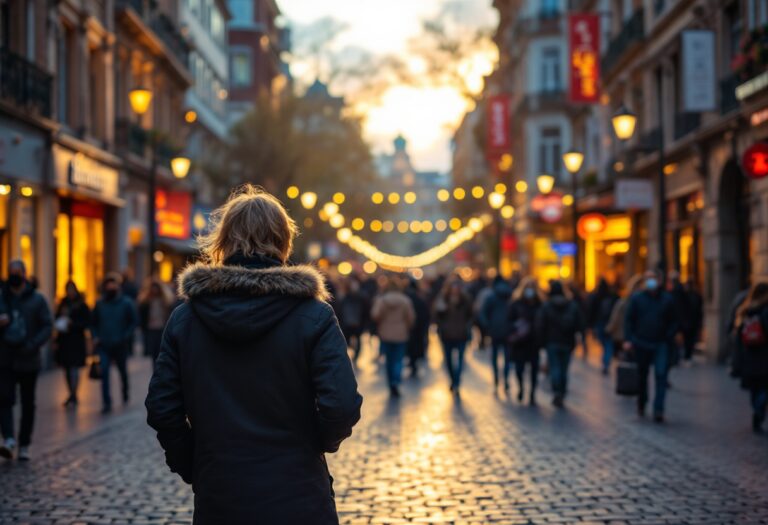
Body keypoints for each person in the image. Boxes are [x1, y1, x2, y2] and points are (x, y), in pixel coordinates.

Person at [146, 186, 362, 524]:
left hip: (221, 492)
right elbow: (343, 404)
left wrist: (191, 461)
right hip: (299, 493)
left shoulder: (186, 318)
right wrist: (314, 445)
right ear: (282, 241)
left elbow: (162, 407)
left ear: (222, 241)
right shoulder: (314, 315)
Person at [0, 260, 53, 461]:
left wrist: (33, 344)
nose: (14, 276)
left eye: (17, 272)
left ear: (24, 274)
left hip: (28, 358)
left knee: (28, 402)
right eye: (10, 272)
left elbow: (47, 326)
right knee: (4, 399)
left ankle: (24, 443)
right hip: (5, 357)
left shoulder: (37, 299)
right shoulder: (2, 297)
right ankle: (9, 439)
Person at [624, 269, 677, 422]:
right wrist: (629, 339)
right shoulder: (637, 298)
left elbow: (674, 320)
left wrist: (668, 335)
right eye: (648, 279)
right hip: (641, 342)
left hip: (661, 343)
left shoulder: (667, 299)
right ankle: (642, 403)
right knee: (642, 375)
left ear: (659, 281)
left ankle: (658, 409)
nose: (651, 282)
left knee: (661, 375)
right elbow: (629, 320)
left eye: (653, 278)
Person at [92, 273, 138, 413]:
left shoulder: (126, 302)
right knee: (104, 371)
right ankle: (106, 402)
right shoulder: (99, 303)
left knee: (122, 371)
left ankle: (125, 392)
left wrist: (125, 336)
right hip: (104, 344)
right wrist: (95, 336)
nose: (111, 286)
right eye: (108, 284)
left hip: (120, 344)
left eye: (114, 284)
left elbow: (133, 322)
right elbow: (93, 322)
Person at [535, 280, 585, 408]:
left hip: (552, 342)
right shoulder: (571, 305)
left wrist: (541, 342)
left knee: (555, 368)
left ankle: (557, 391)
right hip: (567, 342)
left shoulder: (547, 305)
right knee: (564, 368)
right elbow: (579, 324)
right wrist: (581, 338)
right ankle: (562, 392)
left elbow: (541, 325)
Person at [731, 281, 768, 433]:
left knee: (755, 387)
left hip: (749, 354)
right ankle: (759, 409)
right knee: (764, 386)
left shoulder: (745, 309)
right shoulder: (766, 310)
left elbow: (737, 332)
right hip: (764, 354)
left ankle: (756, 409)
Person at [371, 277, 415, 397]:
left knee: (389, 360)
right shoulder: (405, 300)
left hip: (385, 333)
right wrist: (406, 327)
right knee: (398, 359)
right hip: (401, 333)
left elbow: (375, 315)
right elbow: (411, 318)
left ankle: (391, 382)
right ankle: (396, 379)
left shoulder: (382, 300)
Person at [54, 281, 91, 407]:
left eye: (71, 289)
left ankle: (74, 394)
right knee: (67, 368)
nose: (70, 292)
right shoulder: (63, 303)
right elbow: (56, 318)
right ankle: (71, 393)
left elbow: (87, 321)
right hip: (65, 341)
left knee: (74, 368)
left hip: (76, 340)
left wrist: (73, 324)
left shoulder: (81, 304)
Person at [435, 280, 474, 394]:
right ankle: (453, 379)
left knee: (460, 360)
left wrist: (467, 327)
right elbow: (436, 315)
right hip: (447, 335)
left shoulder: (465, 299)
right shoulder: (443, 298)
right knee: (448, 361)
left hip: (461, 334)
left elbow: (471, 315)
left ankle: (457, 380)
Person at [509, 277, 543, 404]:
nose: (530, 290)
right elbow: (509, 320)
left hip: (534, 342)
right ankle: (521, 388)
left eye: (532, 287)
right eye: (528, 287)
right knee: (519, 369)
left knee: (534, 369)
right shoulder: (516, 303)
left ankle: (532, 393)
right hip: (520, 342)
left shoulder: (540, 304)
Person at [479, 276, 513, 391]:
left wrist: (487, 326)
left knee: (494, 357)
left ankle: (496, 379)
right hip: (508, 331)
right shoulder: (511, 295)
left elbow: (483, 313)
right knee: (507, 358)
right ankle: (506, 379)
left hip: (494, 331)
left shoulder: (491, 297)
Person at [605, 274, 644, 356]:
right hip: (628, 335)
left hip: (642, 336)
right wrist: (610, 329)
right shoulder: (625, 302)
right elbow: (617, 317)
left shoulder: (648, 301)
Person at [138, 278, 175, 364]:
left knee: (161, 350)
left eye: (156, 288)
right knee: (153, 351)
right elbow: (142, 315)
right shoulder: (146, 301)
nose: (154, 290)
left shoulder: (166, 301)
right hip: (151, 329)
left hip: (162, 328)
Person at [588, 278, 619, 374]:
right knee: (608, 344)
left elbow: (591, 311)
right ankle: (606, 361)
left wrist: (591, 325)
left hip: (601, 323)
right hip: (609, 323)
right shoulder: (613, 296)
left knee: (606, 344)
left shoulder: (596, 296)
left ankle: (605, 362)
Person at [337, 277, 370, 363]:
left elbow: (365, 310)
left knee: (354, 339)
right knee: (350, 339)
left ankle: (354, 355)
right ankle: (353, 353)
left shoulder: (359, 297)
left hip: (355, 322)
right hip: (351, 323)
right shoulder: (346, 296)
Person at [405, 279, 430, 377]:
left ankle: (412, 361)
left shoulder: (406, 297)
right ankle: (413, 361)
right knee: (416, 344)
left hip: (408, 327)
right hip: (417, 326)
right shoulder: (419, 298)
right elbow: (425, 314)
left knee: (410, 345)